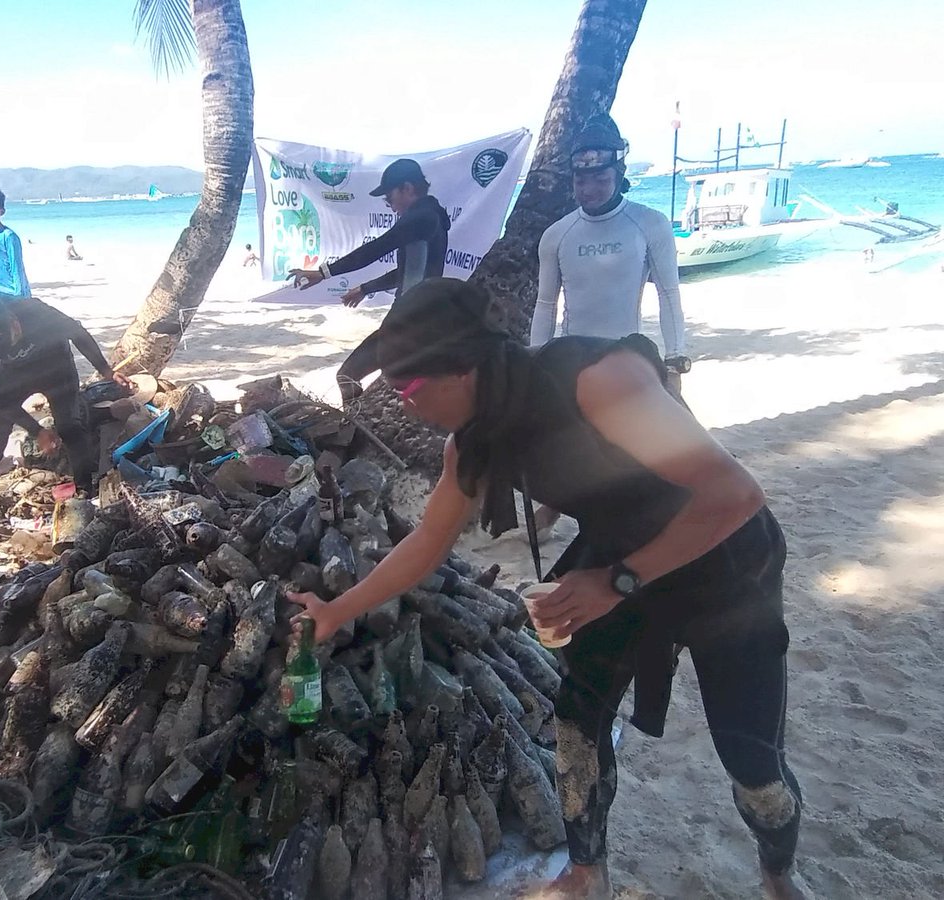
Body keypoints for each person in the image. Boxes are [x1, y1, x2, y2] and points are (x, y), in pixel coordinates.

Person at [289, 278, 808, 900]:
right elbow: (427, 542)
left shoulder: (597, 382)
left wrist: (617, 581)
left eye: (408, 387)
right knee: (575, 722)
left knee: (752, 766)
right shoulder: (474, 442)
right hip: (617, 558)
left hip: (725, 557)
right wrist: (336, 609)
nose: (401, 404)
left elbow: (736, 494)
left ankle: (780, 873)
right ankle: (587, 872)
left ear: (462, 369)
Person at [531, 116, 689, 383]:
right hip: (570, 363)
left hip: (626, 359)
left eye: (600, 178)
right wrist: (534, 362)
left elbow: (669, 293)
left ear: (620, 171)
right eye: (580, 181)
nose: (589, 190)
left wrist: (675, 357)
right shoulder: (556, 235)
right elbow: (546, 305)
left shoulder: (650, 223)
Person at [288, 158, 451, 402]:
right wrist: (366, 288)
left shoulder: (421, 218)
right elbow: (405, 273)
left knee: (347, 376)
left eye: (389, 197)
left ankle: (354, 432)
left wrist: (323, 272)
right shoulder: (432, 216)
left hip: (411, 322)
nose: (390, 205)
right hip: (422, 318)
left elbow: (374, 250)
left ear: (407, 188)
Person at [0, 295, 130, 495]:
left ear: (13, 321)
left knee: (70, 426)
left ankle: (85, 488)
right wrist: (37, 431)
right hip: (14, 376)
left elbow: (76, 332)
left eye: (13, 337)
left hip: (56, 367)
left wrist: (106, 371)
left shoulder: (35, 311)